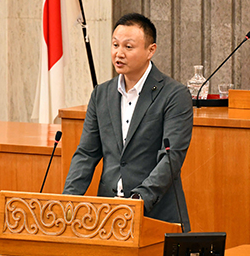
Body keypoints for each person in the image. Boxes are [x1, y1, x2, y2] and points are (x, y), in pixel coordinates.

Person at [62, 13, 194, 231]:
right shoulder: (101, 94)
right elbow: (86, 153)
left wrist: (138, 200)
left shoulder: (174, 95)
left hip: (156, 215)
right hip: (107, 216)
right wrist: (68, 199)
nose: (118, 53)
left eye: (128, 47)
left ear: (151, 50)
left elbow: (171, 158)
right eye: (115, 45)